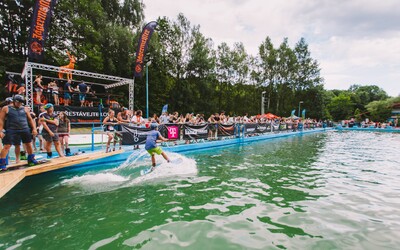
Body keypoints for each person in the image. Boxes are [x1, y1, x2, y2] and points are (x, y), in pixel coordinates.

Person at [0, 95, 39, 169]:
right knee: (7, 146)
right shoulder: (6, 108)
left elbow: (30, 119)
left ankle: (31, 159)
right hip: (11, 129)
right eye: (18, 102)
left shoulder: (25, 109)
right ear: (14, 101)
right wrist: (0, 130)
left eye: (21, 103)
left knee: (28, 144)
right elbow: (1, 120)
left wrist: (34, 128)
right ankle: (2, 163)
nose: (19, 104)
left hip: (24, 128)